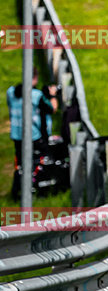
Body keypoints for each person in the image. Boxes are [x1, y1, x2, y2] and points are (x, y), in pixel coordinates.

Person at [6, 70, 58, 200]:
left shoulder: (11, 92)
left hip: (17, 135)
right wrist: (53, 95)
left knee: (20, 163)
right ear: (35, 79)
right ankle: (40, 191)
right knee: (42, 160)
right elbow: (52, 109)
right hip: (33, 136)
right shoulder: (36, 95)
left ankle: (16, 191)